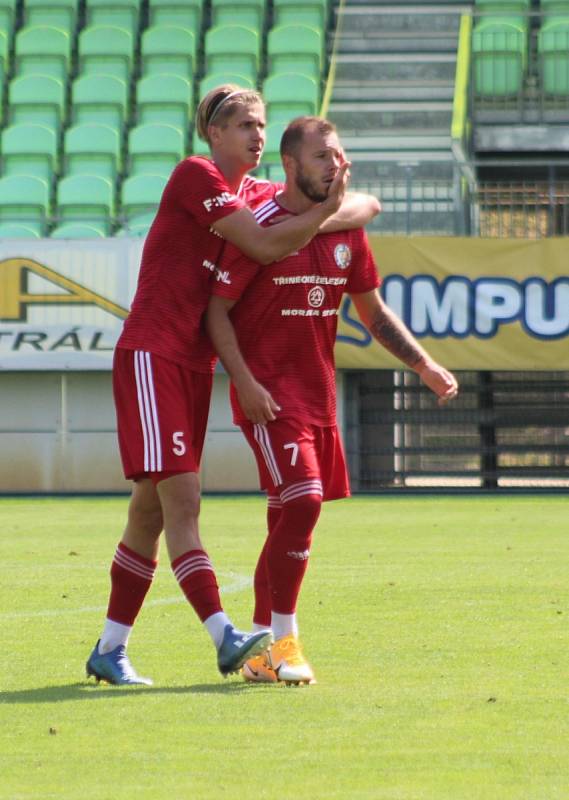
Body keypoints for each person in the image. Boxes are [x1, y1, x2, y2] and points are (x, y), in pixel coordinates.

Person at [86, 86, 380, 686]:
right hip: (153, 352)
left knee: (149, 513)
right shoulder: (196, 175)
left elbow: (355, 208)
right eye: (245, 124)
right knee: (184, 501)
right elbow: (269, 241)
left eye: (263, 124)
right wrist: (330, 209)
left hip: (193, 364)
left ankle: (110, 650)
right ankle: (226, 635)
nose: (257, 135)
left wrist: (351, 202)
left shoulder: (252, 193)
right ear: (214, 133)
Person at [206, 116, 459, 685]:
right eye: (322, 156)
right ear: (290, 165)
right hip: (268, 396)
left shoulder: (345, 230)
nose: (335, 164)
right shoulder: (259, 228)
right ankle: (286, 646)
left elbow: (373, 313)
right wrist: (243, 381)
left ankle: (258, 651)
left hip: (317, 398)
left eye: (339, 154)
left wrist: (423, 364)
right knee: (304, 501)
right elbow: (216, 310)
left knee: (287, 517)